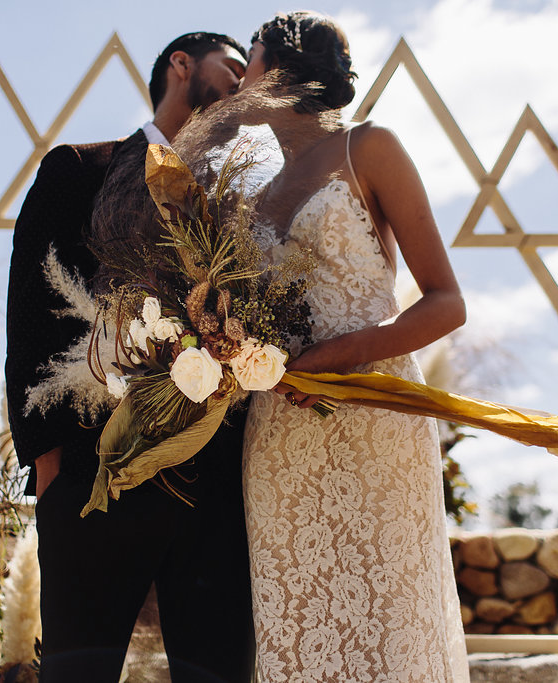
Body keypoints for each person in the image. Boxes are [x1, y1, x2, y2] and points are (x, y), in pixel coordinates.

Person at [172, 12, 470, 681]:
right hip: (280, 433)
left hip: (374, 415)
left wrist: (340, 355)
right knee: (298, 617)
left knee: (387, 615)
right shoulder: (251, 200)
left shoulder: (371, 148)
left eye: (247, 62)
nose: (237, 80)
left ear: (279, 69)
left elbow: (448, 301)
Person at [4, 32, 254, 682]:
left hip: (215, 492)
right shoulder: (78, 169)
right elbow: (32, 317)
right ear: (181, 65)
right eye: (232, 67)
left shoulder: (240, 203)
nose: (242, 84)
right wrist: (51, 463)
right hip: (93, 477)